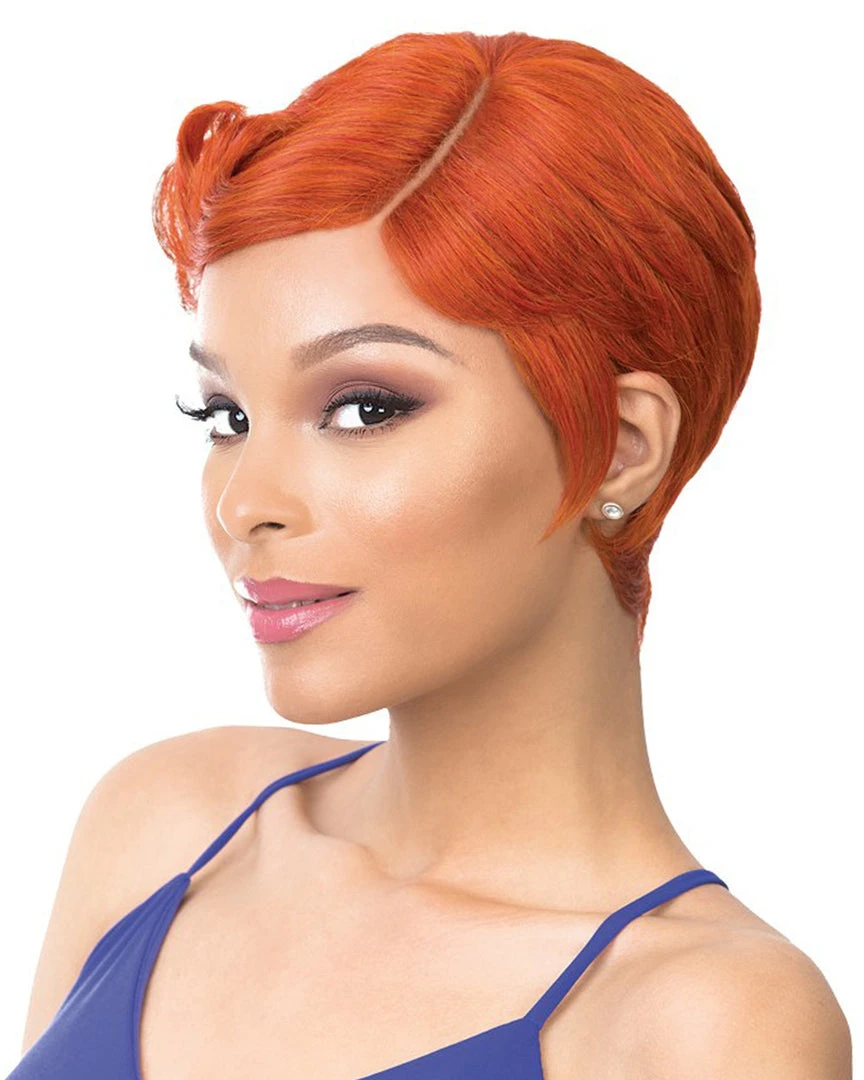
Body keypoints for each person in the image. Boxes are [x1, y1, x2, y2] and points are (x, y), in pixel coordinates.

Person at [9, 29, 851, 1080]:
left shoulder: (706, 1023)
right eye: (225, 415)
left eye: (365, 407)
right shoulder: (166, 826)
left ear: (621, 447)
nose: (244, 503)